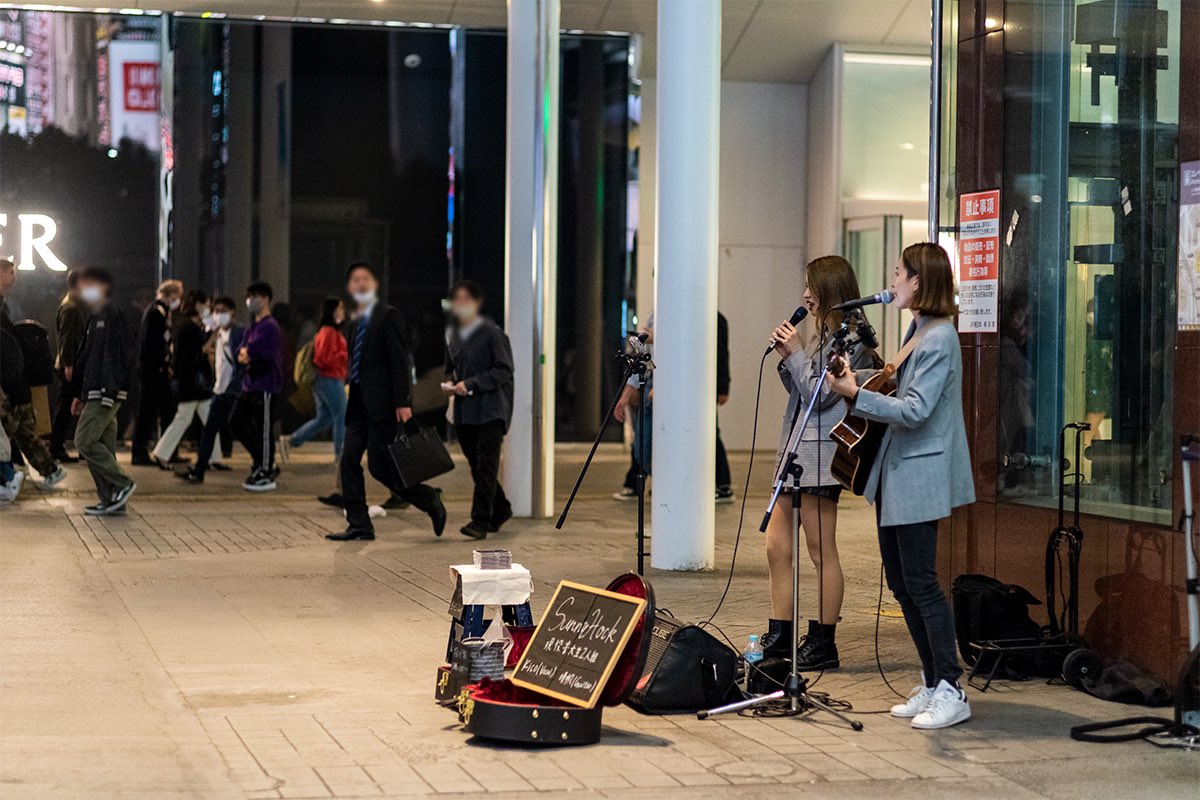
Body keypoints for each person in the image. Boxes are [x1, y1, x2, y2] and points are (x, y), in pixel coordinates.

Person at [827, 242, 975, 730]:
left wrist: (854, 395)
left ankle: (952, 689)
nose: (892, 281)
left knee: (922, 585)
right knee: (901, 582)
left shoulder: (940, 338)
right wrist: (858, 383)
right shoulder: (919, 330)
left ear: (920, 281)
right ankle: (933, 682)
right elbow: (895, 388)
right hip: (898, 473)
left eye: (899, 273)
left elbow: (914, 410)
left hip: (920, 474)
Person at [762, 255, 877, 667]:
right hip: (795, 450)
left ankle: (824, 642)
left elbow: (822, 394)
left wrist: (794, 353)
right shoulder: (823, 335)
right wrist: (789, 355)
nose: (805, 295)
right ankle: (780, 634)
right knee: (777, 544)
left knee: (819, 549)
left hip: (819, 454)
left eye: (812, 287)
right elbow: (802, 387)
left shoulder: (853, 340)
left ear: (830, 290)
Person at [327, 262, 447, 541]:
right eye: (354, 280)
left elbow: (400, 359)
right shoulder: (355, 321)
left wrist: (403, 401)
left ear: (374, 285)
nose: (359, 284)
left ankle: (429, 498)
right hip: (358, 404)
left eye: (364, 279)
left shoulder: (388, 315)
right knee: (348, 462)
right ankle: (359, 525)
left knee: (380, 467)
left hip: (383, 405)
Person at [443, 280, 514, 540]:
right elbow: (451, 368)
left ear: (476, 303)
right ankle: (501, 509)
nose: (460, 304)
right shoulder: (452, 334)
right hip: (464, 411)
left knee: (486, 466)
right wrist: (451, 383)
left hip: (491, 409)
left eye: (465, 299)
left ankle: (479, 521)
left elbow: (504, 369)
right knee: (475, 465)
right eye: (456, 299)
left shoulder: (492, 333)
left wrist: (471, 383)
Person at [70, 266, 138, 516]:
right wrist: (80, 394)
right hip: (96, 391)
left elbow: (119, 357)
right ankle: (111, 500)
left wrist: (108, 391)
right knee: (104, 446)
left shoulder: (112, 316)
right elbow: (89, 359)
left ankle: (123, 483)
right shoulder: (95, 318)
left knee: (84, 441)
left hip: (106, 391)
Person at [0, 257, 66, 489]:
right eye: (10, 273)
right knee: (14, 430)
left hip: (13, 379)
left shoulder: (4, 305)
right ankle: (23, 472)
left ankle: (24, 472)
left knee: (18, 429)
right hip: (9, 380)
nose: (14, 278)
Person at [150, 290, 222, 470]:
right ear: (198, 305)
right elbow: (197, 353)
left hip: (190, 382)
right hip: (193, 382)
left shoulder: (184, 325)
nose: (208, 308)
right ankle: (161, 454)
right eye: (206, 303)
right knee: (190, 419)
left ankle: (213, 458)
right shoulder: (189, 327)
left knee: (203, 418)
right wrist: (213, 338)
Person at [177, 297, 243, 483]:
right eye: (216, 310)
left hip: (233, 391)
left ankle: (264, 463)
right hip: (220, 391)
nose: (218, 314)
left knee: (244, 429)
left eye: (223, 310)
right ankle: (199, 471)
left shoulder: (238, 333)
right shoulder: (218, 333)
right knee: (209, 431)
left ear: (232, 312)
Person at [279, 297, 348, 461]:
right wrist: (344, 355)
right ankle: (341, 455)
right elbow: (323, 359)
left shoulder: (326, 331)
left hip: (324, 380)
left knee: (323, 419)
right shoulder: (328, 332)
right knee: (341, 415)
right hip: (329, 379)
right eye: (339, 309)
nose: (342, 312)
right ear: (332, 312)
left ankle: (291, 440)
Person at [233, 282, 284, 492]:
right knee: (235, 422)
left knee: (264, 429)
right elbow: (240, 352)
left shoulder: (270, 326)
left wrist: (248, 353)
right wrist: (246, 353)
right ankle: (263, 461)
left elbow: (258, 351)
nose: (251, 301)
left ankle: (265, 469)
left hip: (266, 385)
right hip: (250, 384)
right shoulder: (252, 326)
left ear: (266, 299)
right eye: (250, 296)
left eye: (256, 296)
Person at [131, 279, 183, 465]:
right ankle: (142, 452)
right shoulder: (157, 312)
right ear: (171, 295)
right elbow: (154, 343)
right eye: (177, 296)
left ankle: (166, 450)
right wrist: (162, 363)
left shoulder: (156, 311)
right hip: (153, 371)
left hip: (153, 369)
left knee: (158, 410)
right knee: (150, 411)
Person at [51, 268, 88, 463]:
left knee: (66, 406)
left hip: (69, 363)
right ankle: (56, 447)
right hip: (70, 365)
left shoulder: (70, 305)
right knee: (66, 406)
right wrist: (69, 364)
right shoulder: (72, 308)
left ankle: (57, 446)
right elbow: (67, 339)